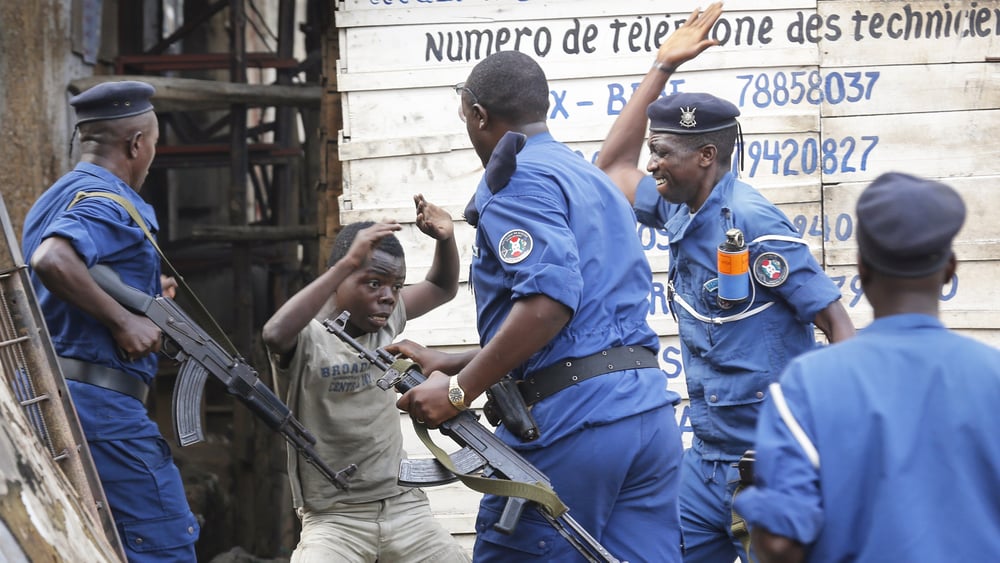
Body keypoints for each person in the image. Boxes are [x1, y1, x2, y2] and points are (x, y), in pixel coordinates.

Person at [392, 47, 685, 563]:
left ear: (478, 115)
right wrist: (453, 361)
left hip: (575, 425)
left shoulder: (516, 179)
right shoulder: (590, 178)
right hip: (645, 418)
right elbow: (586, 326)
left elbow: (549, 305)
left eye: (465, 116)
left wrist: (460, 390)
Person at [595, 5, 856, 561]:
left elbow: (836, 323)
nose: (651, 164)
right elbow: (611, 167)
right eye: (653, 151)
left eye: (662, 153)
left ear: (706, 156)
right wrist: (662, 67)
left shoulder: (755, 223)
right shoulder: (677, 206)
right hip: (706, 461)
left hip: (772, 462)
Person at [733, 172, 1000, 562]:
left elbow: (779, 544)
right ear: (949, 269)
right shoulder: (992, 376)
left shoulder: (808, 384)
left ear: (862, 269)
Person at [22, 80, 199, 561]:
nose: (152, 156)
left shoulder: (55, 197)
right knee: (163, 545)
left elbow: (73, 276)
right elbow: (52, 260)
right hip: (102, 412)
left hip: (49, 394)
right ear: (137, 144)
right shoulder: (109, 200)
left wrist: (143, 296)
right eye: (154, 144)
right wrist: (124, 321)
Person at [260, 203, 467, 563]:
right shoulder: (307, 337)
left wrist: (446, 239)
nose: (388, 296)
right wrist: (345, 264)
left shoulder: (387, 320)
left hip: (404, 506)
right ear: (340, 277)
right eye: (374, 283)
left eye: (396, 286)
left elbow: (440, 286)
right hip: (335, 518)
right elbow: (274, 334)